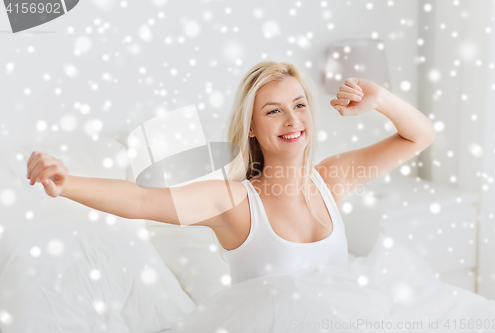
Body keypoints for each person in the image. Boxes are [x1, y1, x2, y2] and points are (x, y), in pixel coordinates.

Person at [26, 61, 437, 331]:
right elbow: (141, 201)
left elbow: (420, 136)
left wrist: (380, 99)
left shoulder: (333, 178)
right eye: (274, 110)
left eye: (299, 105)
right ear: (253, 127)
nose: (293, 120)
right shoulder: (235, 202)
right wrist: (68, 183)